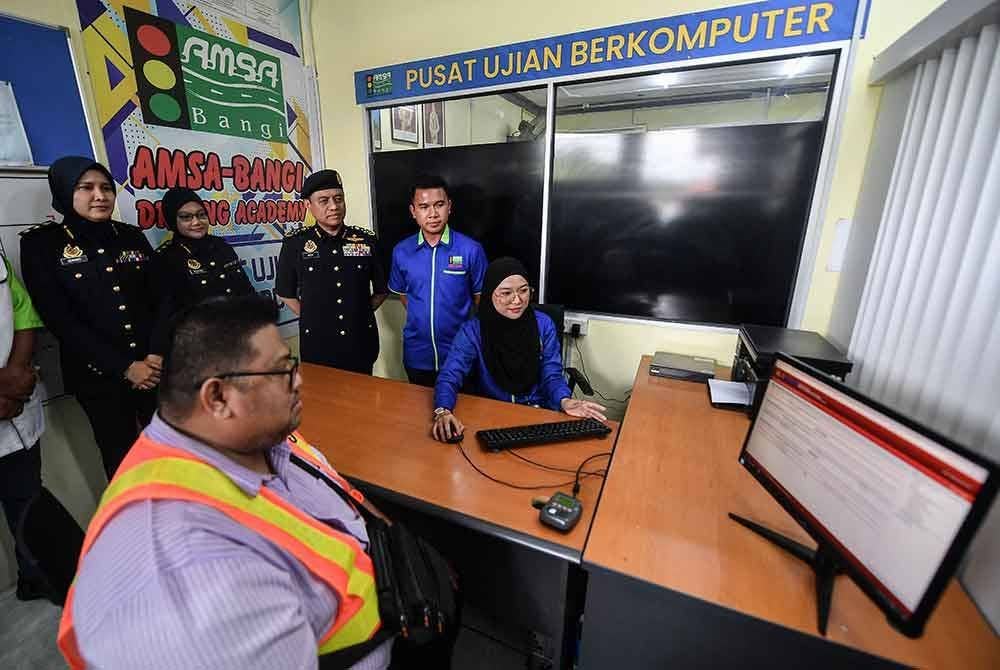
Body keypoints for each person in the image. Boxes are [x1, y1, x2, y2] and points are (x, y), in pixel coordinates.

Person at [58, 296, 393, 669]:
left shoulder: (252, 436)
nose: (299, 381)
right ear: (217, 397)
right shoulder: (192, 583)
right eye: (283, 370)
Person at [20, 156, 162, 479]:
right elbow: (60, 319)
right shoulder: (42, 245)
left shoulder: (130, 236)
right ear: (65, 191)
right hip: (99, 378)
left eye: (106, 188)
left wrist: (155, 354)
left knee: (175, 454)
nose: (99, 195)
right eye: (86, 188)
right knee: (122, 461)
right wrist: (125, 367)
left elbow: (162, 300)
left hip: (155, 369)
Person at [431, 258, 606, 442]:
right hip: (492, 413)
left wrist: (564, 400)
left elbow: (552, 374)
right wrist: (443, 410)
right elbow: (450, 375)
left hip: (538, 413)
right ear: (490, 294)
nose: (517, 300)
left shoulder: (543, 325)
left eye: (523, 290)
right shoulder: (473, 331)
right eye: (506, 293)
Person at [276, 170, 388, 374]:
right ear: (308, 205)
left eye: (338, 199)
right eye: (324, 201)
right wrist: (314, 317)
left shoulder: (366, 240)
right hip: (318, 344)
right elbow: (285, 291)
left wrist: (359, 312)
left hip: (360, 341)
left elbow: (381, 290)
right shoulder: (295, 243)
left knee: (362, 392)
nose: (334, 206)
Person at [389, 175, 487, 387]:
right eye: (424, 207)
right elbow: (404, 294)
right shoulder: (401, 251)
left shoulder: (471, 250)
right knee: (418, 406)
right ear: (413, 211)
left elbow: (481, 298)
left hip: (460, 354)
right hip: (417, 355)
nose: (433, 214)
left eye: (439, 205)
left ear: (449, 206)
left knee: (464, 407)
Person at [0, 254, 47, 600]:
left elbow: (23, 310)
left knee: (27, 496)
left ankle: (35, 576)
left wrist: (16, 374)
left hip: (15, 404)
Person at [152, 186, 254, 330]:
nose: (196, 222)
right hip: (202, 338)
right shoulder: (167, 258)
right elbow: (170, 316)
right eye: (186, 217)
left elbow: (247, 292)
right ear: (173, 221)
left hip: (240, 331)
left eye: (201, 215)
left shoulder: (221, 246)